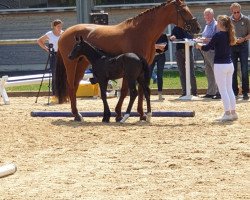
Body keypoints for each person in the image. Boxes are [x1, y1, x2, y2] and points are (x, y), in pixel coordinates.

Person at [196, 15, 238, 122]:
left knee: (223, 90)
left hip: (220, 65)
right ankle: (233, 113)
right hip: (229, 65)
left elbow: (207, 48)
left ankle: (227, 113)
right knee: (229, 89)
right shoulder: (229, 34)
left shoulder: (218, 35)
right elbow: (216, 46)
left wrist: (198, 45)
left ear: (220, 24)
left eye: (218, 22)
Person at [37, 19, 64, 102]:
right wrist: (46, 49)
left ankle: (63, 93)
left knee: (63, 74)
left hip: (62, 55)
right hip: (54, 55)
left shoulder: (63, 33)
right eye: (58, 26)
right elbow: (39, 41)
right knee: (55, 74)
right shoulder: (50, 34)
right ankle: (55, 94)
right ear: (54, 26)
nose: (60, 28)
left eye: (61, 26)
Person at [198, 8, 220, 99]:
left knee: (216, 72)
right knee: (208, 72)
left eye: (208, 14)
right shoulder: (207, 25)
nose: (206, 16)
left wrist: (204, 39)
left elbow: (218, 39)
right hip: (205, 51)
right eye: (205, 15)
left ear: (212, 15)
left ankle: (219, 92)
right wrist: (200, 39)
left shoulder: (215, 25)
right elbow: (205, 36)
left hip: (212, 51)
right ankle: (211, 92)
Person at [229, 3, 250, 100]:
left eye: (238, 12)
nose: (236, 14)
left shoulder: (246, 20)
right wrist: (233, 39)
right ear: (231, 11)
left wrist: (244, 39)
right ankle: (234, 92)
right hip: (232, 47)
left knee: (244, 69)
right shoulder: (228, 21)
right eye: (235, 12)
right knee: (232, 70)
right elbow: (226, 33)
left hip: (243, 46)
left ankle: (245, 92)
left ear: (240, 11)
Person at [170, 26, 197, 97]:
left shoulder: (189, 27)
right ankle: (184, 92)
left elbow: (190, 37)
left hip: (188, 50)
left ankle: (194, 92)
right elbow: (172, 36)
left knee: (191, 72)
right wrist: (172, 37)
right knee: (182, 72)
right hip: (179, 51)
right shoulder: (175, 28)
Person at [149, 33, 168, 101]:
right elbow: (148, 46)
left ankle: (160, 95)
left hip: (161, 56)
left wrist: (154, 46)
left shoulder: (163, 35)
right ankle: (145, 94)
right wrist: (158, 46)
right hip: (152, 56)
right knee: (148, 74)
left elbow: (165, 47)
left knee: (160, 75)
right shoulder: (151, 34)